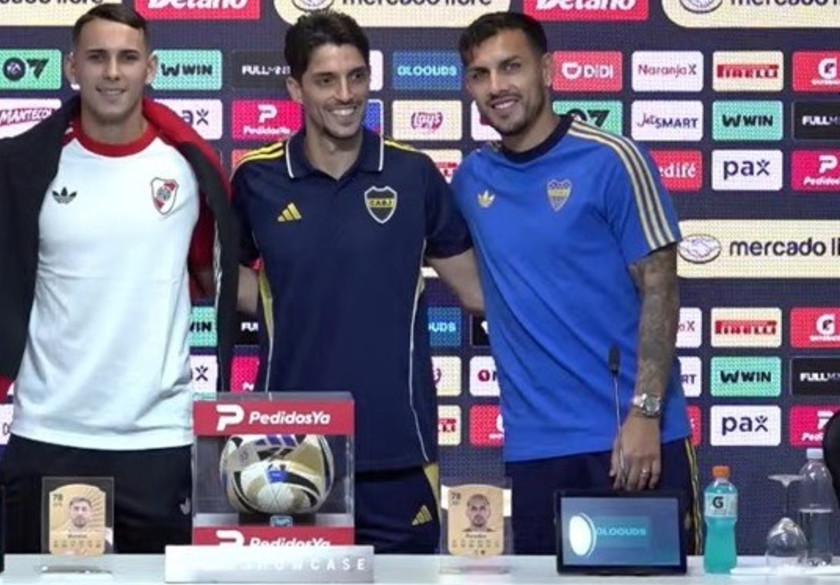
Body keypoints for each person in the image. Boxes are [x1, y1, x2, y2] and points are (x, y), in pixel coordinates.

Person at [0, 4, 240, 554]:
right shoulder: (24, 164)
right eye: (97, 58)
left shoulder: (189, 166)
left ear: (151, 68)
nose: (112, 73)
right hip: (49, 432)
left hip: (158, 437)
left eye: (127, 58)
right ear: (72, 68)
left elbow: (212, 276)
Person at [232, 10, 483, 554]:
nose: (345, 95)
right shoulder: (256, 178)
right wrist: (288, 301)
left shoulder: (414, 174)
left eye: (356, 76)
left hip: (398, 448)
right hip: (288, 447)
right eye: (326, 80)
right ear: (295, 88)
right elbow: (227, 281)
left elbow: (477, 291)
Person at [451, 11, 698, 555]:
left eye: (511, 67)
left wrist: (645, 414)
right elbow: (471, 288)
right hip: (536, 450)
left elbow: (661, 287)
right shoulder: (470, 180)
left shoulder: (613, 159)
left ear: (547, 70)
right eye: (480, 74)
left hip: (631, 440)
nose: (497, 87)